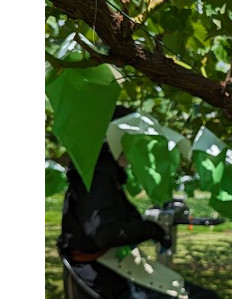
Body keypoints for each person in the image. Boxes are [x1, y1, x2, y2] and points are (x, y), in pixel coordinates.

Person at [57, 106, 219, 299]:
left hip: (107, 270)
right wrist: (148, 229)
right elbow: (105, 233)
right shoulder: (98, 178)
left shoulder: (105, 174)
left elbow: (121, 218)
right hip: (102, 278)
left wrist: (148, 227)